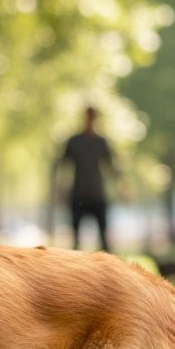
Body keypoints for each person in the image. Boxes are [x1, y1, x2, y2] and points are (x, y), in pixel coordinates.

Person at [57, 105, 121, 252]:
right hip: (78, 194)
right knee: (76, 241)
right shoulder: (74, 142)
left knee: (104, 241)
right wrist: (59, 190)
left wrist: (121, 188)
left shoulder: (101, 142)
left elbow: (112, 167)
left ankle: (107, 272)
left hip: (97, 195)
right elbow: (64, 166)